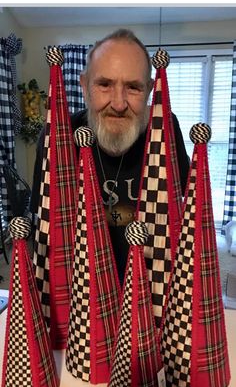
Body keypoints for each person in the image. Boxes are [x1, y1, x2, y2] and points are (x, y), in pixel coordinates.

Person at [30, 28, 189, 282]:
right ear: (84, 86)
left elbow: (183, 220)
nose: (118, 103)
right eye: (104, 84)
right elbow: (45, 231)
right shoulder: (57, 138)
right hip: (81, 292)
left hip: (150, 292)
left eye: (133, 87)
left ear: (149, 89)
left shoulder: (166, 129)